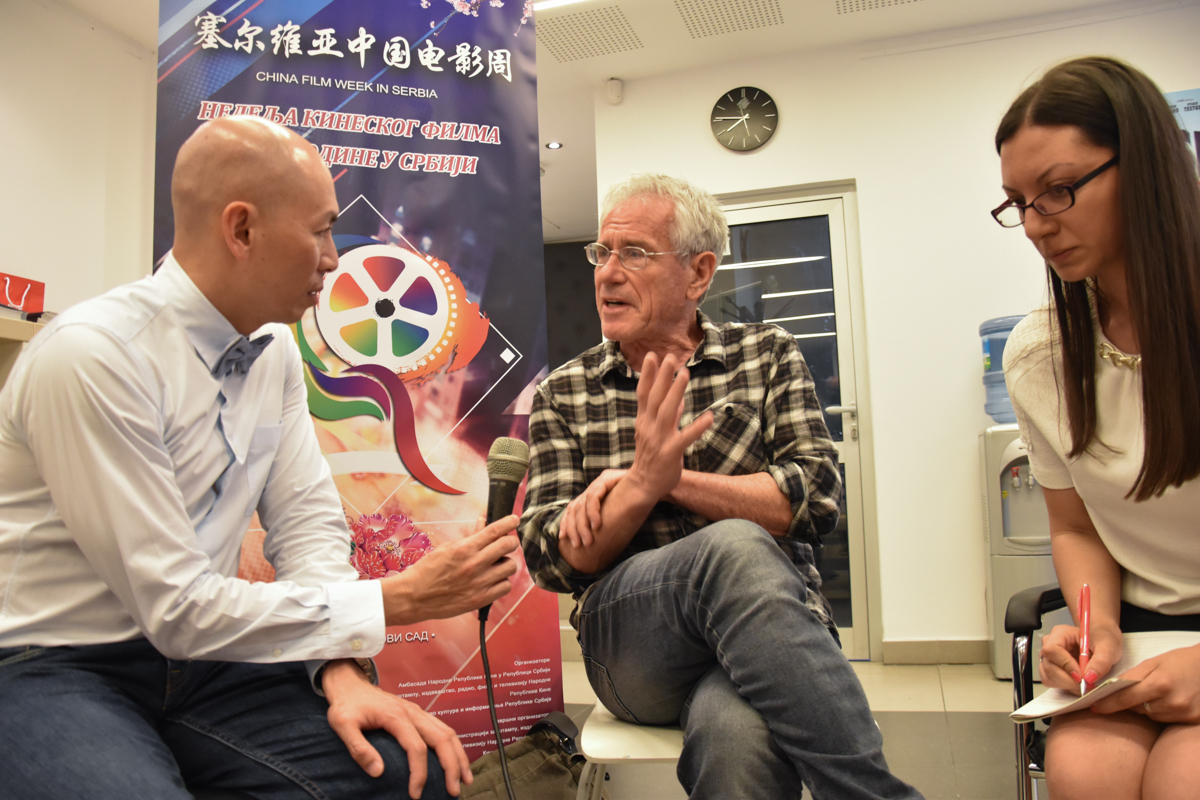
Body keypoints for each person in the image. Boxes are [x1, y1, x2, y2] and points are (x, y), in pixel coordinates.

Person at [0, 116, 521, 800]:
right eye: (321, 232)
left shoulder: (272, 351)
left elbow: (307, 524)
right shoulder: (95, 357)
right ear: (242, 230)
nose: (334, 259)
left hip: (204, 662)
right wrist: (399, 598)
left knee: (400, 772)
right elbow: (177, 607)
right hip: (54, 660)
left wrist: (337, 668)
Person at [519, 173, 922, 800]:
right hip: (633, 650)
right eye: (602, 252)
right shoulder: (563, 393)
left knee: (738, 737)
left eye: (635, 253)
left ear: (699, 273)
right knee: (734, 545)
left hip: (772, 638)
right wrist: (639, 488)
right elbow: (550, 556)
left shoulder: (767, 355)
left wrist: (672, 481)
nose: (607, 273)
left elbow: (816, 496)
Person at [995, 57, 1200, 798]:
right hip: (1146, 627)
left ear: (1143, 165)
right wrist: (1096, 627)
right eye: (1018, 202)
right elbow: (1077, 526)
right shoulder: (1040, 354)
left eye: (1059, 189)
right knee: (1083, 772)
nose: (1035, 224)